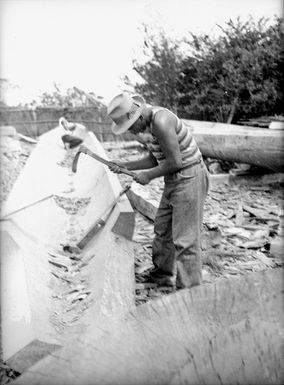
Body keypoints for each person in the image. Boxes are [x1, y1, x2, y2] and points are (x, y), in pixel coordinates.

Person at [107, 93, 209, 289]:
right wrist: (124, 165)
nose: (132, 133)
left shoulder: (161, 121)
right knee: (163, 229)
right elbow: (155, 159)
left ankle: (190, 291)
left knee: (185, 239)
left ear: (138, 117)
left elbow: (175, 162)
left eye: (130, 128)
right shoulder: (150, 126)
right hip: (175, 178)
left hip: (190, 176)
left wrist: (148, 176)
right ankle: (161, 276)